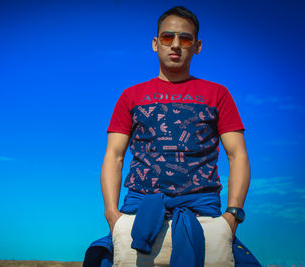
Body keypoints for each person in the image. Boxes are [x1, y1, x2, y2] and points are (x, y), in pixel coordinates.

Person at [83, 5, 261, 267]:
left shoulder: (217, 94)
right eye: (168, 37)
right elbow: (114, 156)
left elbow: (238, 156)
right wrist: (112, 215)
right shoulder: (131, 96)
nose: (175, 45)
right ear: (156, 43)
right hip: (139, 213)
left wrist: (232, 217)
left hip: (204, 216)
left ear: (197, 46)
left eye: (185, 39)